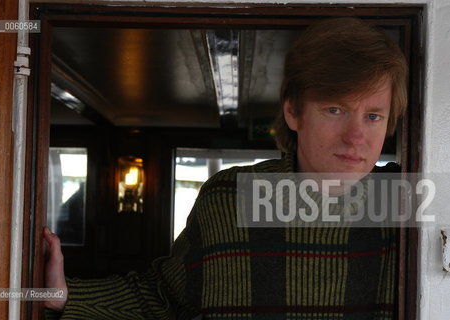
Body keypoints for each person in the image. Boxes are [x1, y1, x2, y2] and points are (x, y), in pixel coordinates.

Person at [44, 16, 408, 319]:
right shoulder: (228, 197)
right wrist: (62, 295)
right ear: (293, 111)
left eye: (373, 116)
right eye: (335, 110)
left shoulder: (408, 203)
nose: (356, 136)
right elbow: (163, 297)